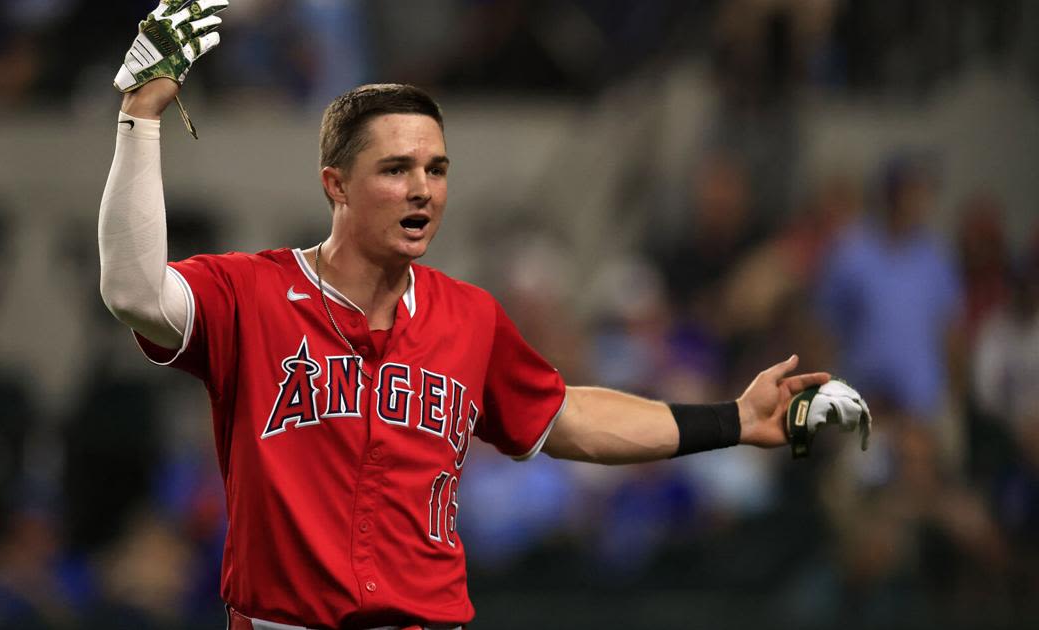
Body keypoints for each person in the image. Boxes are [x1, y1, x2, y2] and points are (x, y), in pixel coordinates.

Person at [98, 3, 860, 628]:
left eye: (436, 169)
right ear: (337, 185)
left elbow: (566, 418)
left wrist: (732, 418)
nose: (423, 189)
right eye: (396, 169)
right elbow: (135, 291)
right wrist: (141, 118)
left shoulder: (468, 317)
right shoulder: (253, 295)